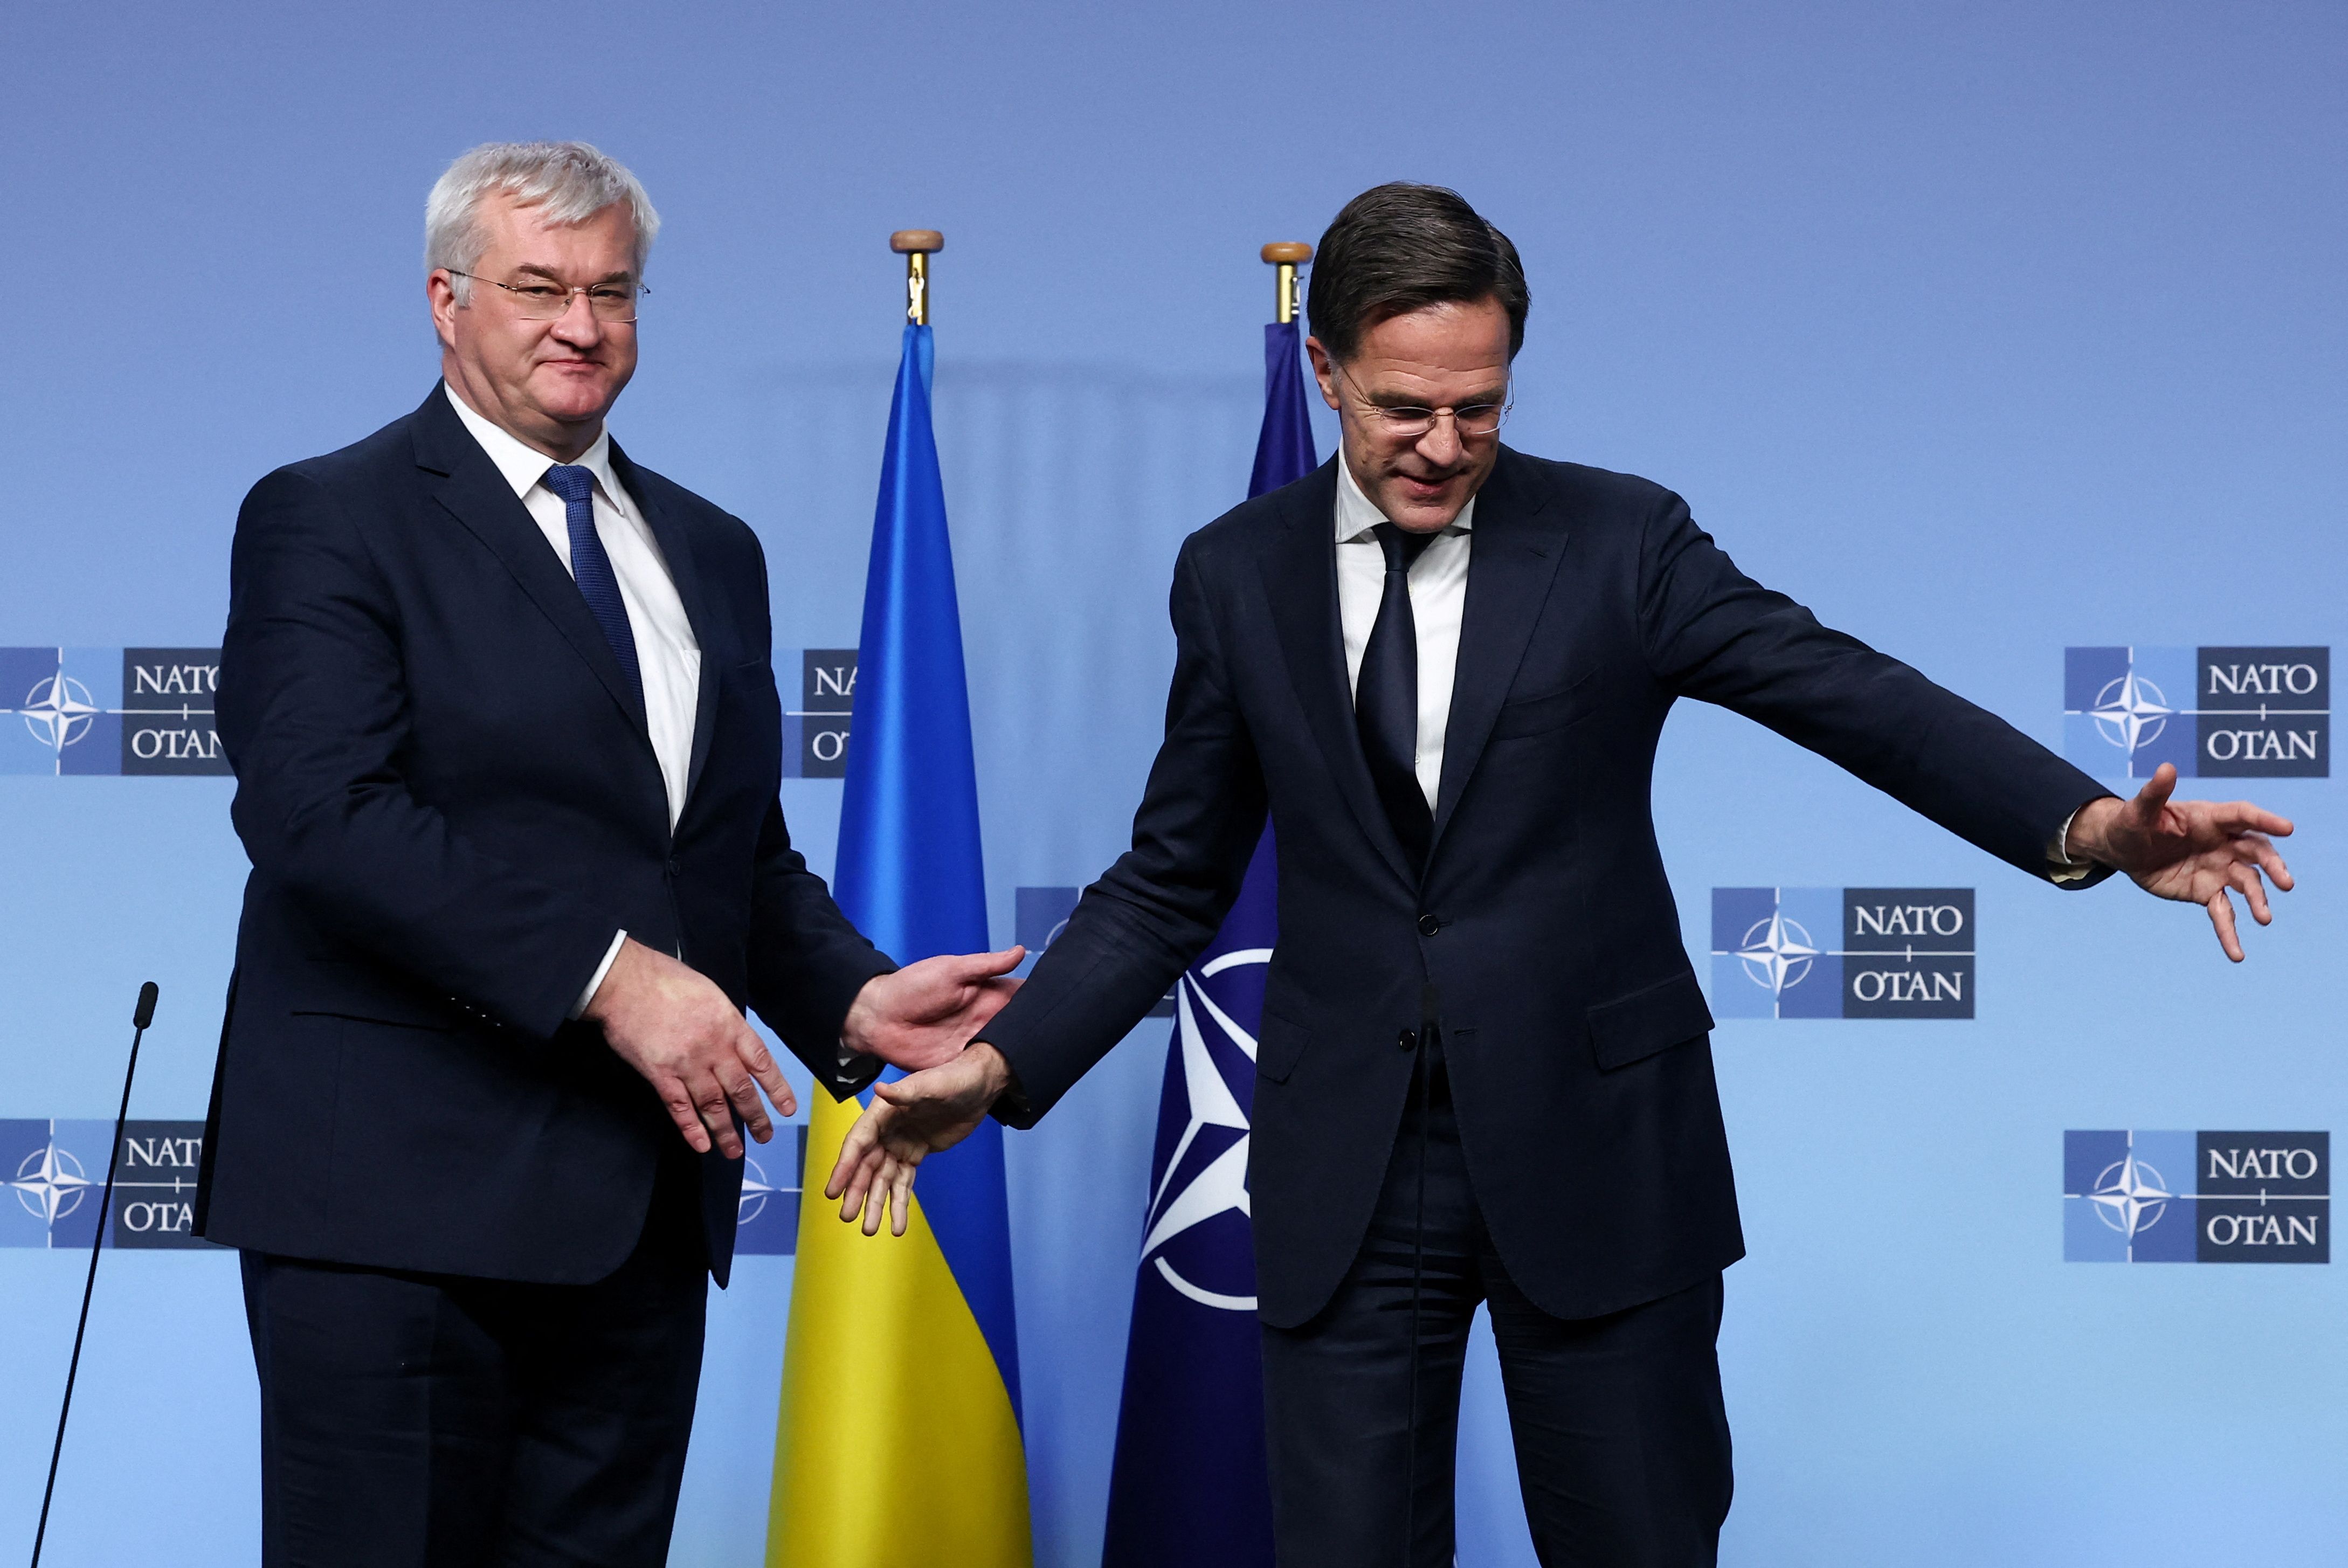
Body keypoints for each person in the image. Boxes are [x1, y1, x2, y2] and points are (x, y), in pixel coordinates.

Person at [825, 183, 2296, 1566]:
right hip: (1347, 1167)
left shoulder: (1619, 540)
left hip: (1601, 1154)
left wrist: (2089, 827)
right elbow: (1169, 877)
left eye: (1479, 406)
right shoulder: (1233, 571)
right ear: (1325, 372)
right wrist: (1005, 1067)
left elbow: (1847, 693)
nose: (1442, 444)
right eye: (1404, 407)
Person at [195, 141, 1022, 1567]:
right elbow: (320, 815)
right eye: (538, 289)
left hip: (634, 1220)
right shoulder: (330, 515)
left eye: (612, 292)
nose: (582, 325)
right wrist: (608, 977)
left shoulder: (712, 550)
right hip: (397, 1216)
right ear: (447, 302)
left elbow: (727, 858)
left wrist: (848, 1002)